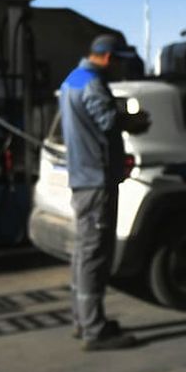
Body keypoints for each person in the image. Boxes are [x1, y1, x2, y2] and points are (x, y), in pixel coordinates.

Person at [59, 33, 138, 351]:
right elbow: (106, 120)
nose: (120, 68)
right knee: (94, 255)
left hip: (83, 179)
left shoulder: (72, 79)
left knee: (83, 253)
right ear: (107, 57)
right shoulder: (92, 83)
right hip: (95, 181)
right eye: (119, 61)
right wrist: (134, 121)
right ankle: (95, 330)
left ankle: (83, 320)